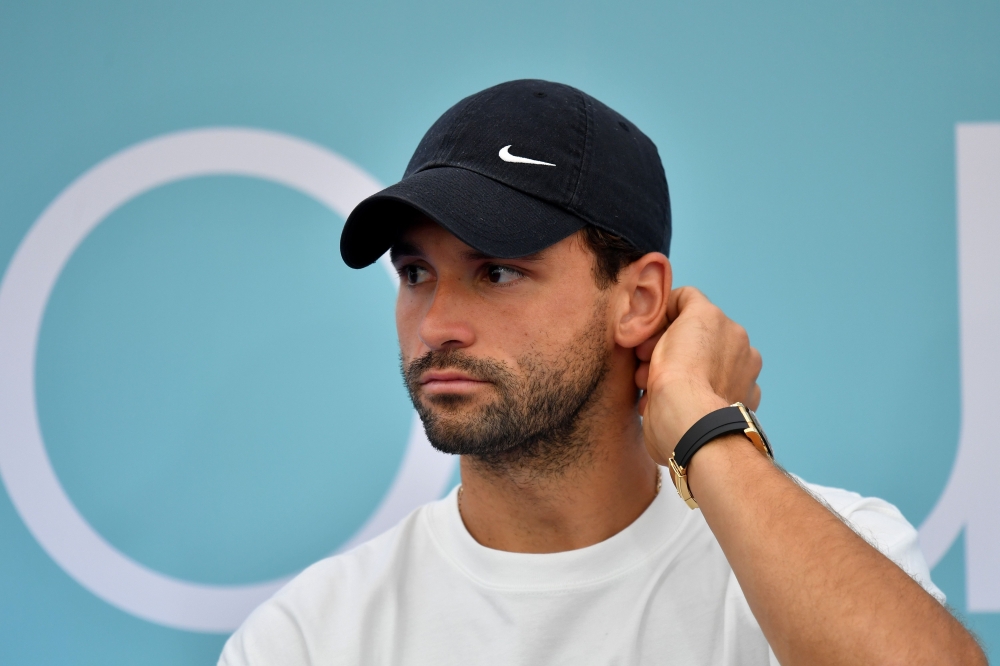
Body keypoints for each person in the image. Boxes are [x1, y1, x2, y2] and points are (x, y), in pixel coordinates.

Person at [219, 79, 985, 665]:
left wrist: (705, 429)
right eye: (416, 273)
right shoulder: (313, 637)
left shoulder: (836, 551)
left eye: (496, 273)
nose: (438, 326)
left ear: (640, 299)